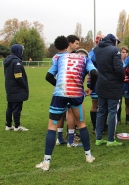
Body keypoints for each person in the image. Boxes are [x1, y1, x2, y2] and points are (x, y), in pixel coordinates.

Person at [35, 36, 97, 171]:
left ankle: (46, 162)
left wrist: (59, 85)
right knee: (82, 124)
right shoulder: (85, 58)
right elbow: (94, 73)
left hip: (60, 94)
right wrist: (91, 87)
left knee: (52, 126)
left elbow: (48, 76)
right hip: (76, 94)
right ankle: (88, 156)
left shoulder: (60, 58)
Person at [94, 33, 124, 146]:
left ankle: (98, 138)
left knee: (101, 111)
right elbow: (118, 68)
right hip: (113, 85)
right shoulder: (115, 50)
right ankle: (111, 139)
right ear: (113, 41)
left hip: (101, 84)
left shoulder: (97, 49)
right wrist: (121, 79)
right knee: (113, 112)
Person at [56, 35, 81, 146]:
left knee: (60, 113)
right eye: (76, 43)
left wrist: (58, 85)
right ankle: (70, 140)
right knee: (70, 113)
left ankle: (60, 138)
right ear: (69, 44)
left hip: (59, 89)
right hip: (70, 89)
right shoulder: (69, 57)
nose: (78, 46)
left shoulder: (57, 56)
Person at [4, 44, 29, 131]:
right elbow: (18, 76)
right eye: (21, 50)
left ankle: (8, 125)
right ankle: (17, 126)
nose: (22, 52)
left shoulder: (8, 60)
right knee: (17, 107)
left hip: (9, 87)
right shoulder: (16, 61)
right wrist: (24, 85)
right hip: (17, 88)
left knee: (10, 106)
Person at [87, 34, 105, 134]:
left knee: (101, 105)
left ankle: (100, 125)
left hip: (100, 80)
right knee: (96, 104)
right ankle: (96, 127)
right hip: (96, 80)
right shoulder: (93, 53)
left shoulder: (92, 52)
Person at [117, 46, 129, 125]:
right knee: (119, 102)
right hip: (119, 84)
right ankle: (118, 119)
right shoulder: (118, 62)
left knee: (127, 102)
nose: (124, 54)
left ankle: (127, 119)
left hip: (127, 84)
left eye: (126, 52)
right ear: (120, 53)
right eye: (123, 52)